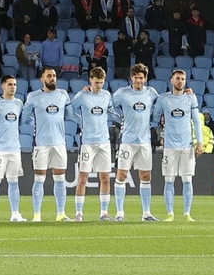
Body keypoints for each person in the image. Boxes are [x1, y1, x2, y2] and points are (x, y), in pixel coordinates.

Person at [112, 64, 161, 221]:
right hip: (127, 141)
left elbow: (162, 104)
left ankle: (146, 213)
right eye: (136, 77)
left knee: (146, 176)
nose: (138, 80)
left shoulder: (151, 93)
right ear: (131, 78)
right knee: (122, 174)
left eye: (141, 77)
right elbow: (107, 105)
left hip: (145, 141)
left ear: (145, 79)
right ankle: (120, 213)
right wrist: (118, 118)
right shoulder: (122, 93)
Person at [25, 67, 73, 222]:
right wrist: (36, 124)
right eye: (49, 76)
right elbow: (24, 117)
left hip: (59, 143)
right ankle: (36, 215)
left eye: (54, 76)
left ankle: (61, 214)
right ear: (42, 79)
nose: (52, 78)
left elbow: (70, 115)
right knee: (39, 179)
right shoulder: (33, 96)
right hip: (41, 144)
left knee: (60, 179)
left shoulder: (63, 95)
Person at [156, 68, 203, 221]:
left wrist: (200, 142)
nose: (180, 81)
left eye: (182, 79)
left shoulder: (191, 98)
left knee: (187, 180)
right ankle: (170, 213)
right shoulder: (163, 99)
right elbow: (155, 118)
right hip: (169, 146)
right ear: (171, 80)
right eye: (177, 78)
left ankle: (187, 213)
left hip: (187, 145)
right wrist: (161, 134)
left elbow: (197, 121)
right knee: (169, 179)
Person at [72, 66, 115, 221]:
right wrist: (81, 121)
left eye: (101, 82)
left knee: (105, 177)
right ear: (90, 80)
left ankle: (104, 212)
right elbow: (69, 109)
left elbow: (111, 112)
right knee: (83, 177)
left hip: (104, 142)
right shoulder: (82, 95)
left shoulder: (106, 95)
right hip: (88, 143)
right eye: (96, 82)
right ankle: (79, 213)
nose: (99, 85)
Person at [0, 76, 28, 222]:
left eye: (14, 84)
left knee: (14, 182)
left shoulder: (19, 103)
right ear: (3, 86)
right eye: (10, 84)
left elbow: (20, 121)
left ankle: (15, 214)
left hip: (14, 148)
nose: (13, 87)